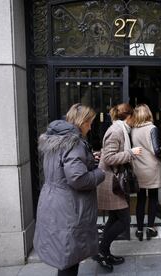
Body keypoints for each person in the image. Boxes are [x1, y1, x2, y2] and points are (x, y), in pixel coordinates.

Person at [33, 103, 105, 276]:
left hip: (53, 200)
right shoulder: (74, 143)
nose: (90, 126)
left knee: (63, 253)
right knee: (70, 256)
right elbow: (78, 178)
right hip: (69, 205)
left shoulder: (56, 139)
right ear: (83, 121)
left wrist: (89, 158)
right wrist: (100, 173)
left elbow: (63, 169)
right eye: (90, 122)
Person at [95, 103, 142, 272]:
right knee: (124, 220)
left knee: (115, 219)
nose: (135, 120)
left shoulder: (120, 129)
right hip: (111, 183)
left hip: (114, 181)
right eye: (134, 116)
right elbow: (109, 158)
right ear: (128, 116)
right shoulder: (116, 131)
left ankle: (104, 252)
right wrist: (131, 153)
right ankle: (100, 251)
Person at [131, 104, 161, 241]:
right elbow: (156, 150)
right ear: (148, 113)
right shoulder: (152, 128)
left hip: (138, 168)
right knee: (153, 198)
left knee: (140, 199)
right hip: (151, 168)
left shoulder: (133, 130)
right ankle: (150, 228)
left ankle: (139, 230)